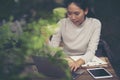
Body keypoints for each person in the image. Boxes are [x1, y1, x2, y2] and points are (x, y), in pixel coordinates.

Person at [49, 0, 101, 71]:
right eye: (69, 13)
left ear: (85, 11)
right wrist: (45, 39)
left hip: (84, 60)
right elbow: (52, 50)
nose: (73, 17)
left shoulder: (95, 24)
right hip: (67, 60)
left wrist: (79, 62)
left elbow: (91, 51)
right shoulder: (62, 23)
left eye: (77, 13)